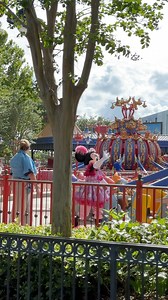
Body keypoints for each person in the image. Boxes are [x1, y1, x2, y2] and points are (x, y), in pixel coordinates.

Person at [74, 146, 110, 224]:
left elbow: (100, 179)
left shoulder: (97, 170)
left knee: (98, 208)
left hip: (97, 190)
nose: (96, 159)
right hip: (89, 190)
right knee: (86, 207)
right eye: (95, 157)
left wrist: (106, 186)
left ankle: (98, 223)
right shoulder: (90, 167)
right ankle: (80, 222)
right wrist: (103, 158)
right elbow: (96, 165)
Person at [10, 139, 37, 225]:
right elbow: (30, 173)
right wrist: (37, 186)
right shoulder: (26, 158)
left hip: (15, 182)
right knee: (25, 206)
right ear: (28, 148)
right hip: (24, 183)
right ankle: (24, 225)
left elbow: (11, 172)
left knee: (16, 204)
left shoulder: (14, 157)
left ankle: (14, 223)